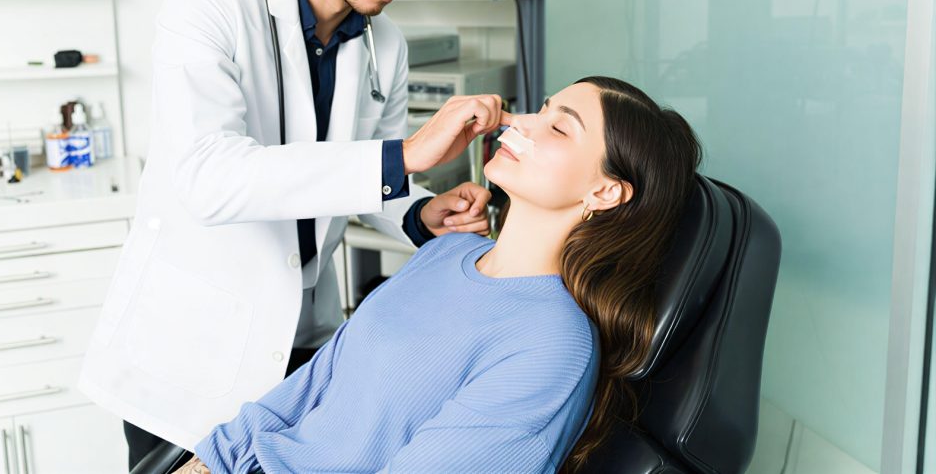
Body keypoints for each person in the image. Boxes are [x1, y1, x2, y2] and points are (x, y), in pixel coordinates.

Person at [77, 0, 506, 469]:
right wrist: (404, 158)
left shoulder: (384, 46)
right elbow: (210, 178)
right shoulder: (211, 5)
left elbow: (362, 180)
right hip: (188, 358)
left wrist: (419, 212)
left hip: (303, 346)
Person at [168, 76, 703, 474]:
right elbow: (312, 386)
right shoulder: (445, 254)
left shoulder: (552, 345)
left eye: (559, 127)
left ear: (604, 192)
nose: (520, 123)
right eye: (540, 109)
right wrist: (207, 462)